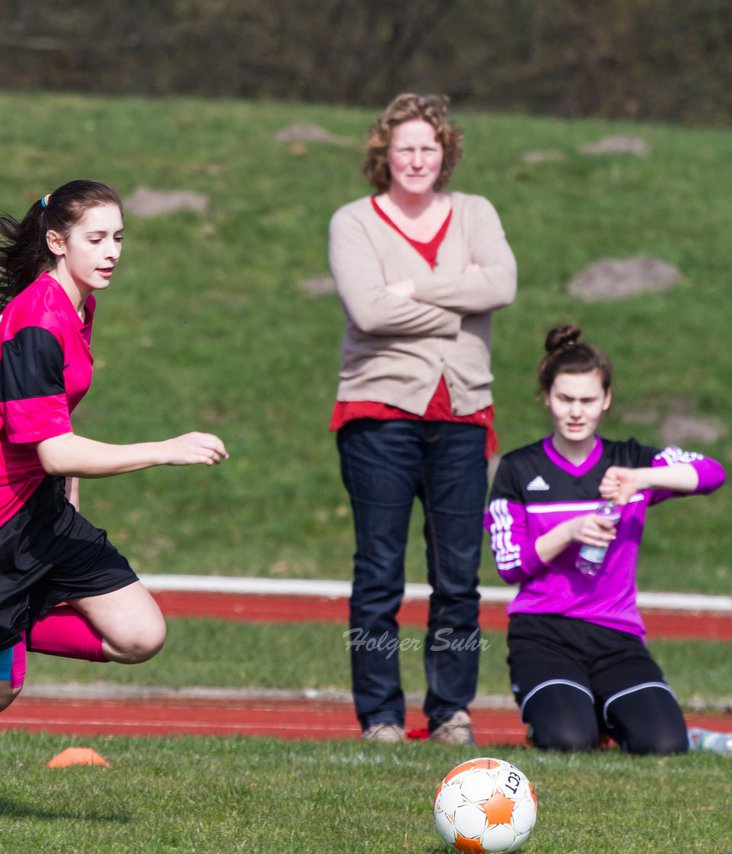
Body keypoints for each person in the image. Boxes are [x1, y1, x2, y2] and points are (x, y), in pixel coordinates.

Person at [0, 180, 228, 822]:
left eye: (118, 238)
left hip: (39, 509)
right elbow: (55, 450)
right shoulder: (37, 323)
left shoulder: (75, 303)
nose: (111, 251)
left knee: (140, 636)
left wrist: (69, 508)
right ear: (57, 242)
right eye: (95, 239)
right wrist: (166, 447)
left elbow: (56, 428)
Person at [328, 93, 517, 744]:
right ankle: (380, 714)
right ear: (384, 154)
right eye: (403, 148)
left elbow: (502, 285)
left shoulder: (476, 213)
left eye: (428, 148)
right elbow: (368, 312)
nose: (416, 160)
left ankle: (450, 711)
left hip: (464, 412)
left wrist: (410, 289)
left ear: (446, 154)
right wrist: (456, 301)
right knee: (379, 573)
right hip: (378, 413)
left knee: (458, 575)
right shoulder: (354, 221)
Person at [485, 325, 724, 755]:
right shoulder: (519, 469)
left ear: (606, 400)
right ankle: (566, 710)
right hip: (544, 633)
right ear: (547, 398)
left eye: (587, 400)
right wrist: (569, 531)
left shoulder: (629, 460)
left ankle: (604, 709)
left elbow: (712, 474)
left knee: (664, 745)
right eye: (565, 399)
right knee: (568, 740)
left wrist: (642, 479)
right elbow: (510, 565)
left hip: (616, 635)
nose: (576, 412)